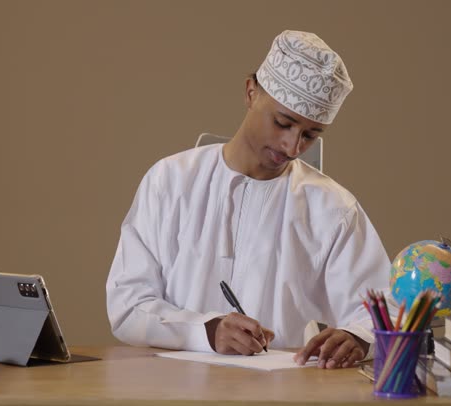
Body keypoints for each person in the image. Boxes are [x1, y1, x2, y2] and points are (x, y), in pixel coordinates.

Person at [106, 30, 392, 369]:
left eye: (310, 135)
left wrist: (358, 337)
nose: (292, 146)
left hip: (288, 394)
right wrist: (206, 331)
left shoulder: (333, 207)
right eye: (283, 123)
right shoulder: (169, 181)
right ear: (250, 92)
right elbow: (127, 304)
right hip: (176, 390)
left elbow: (382, 312)